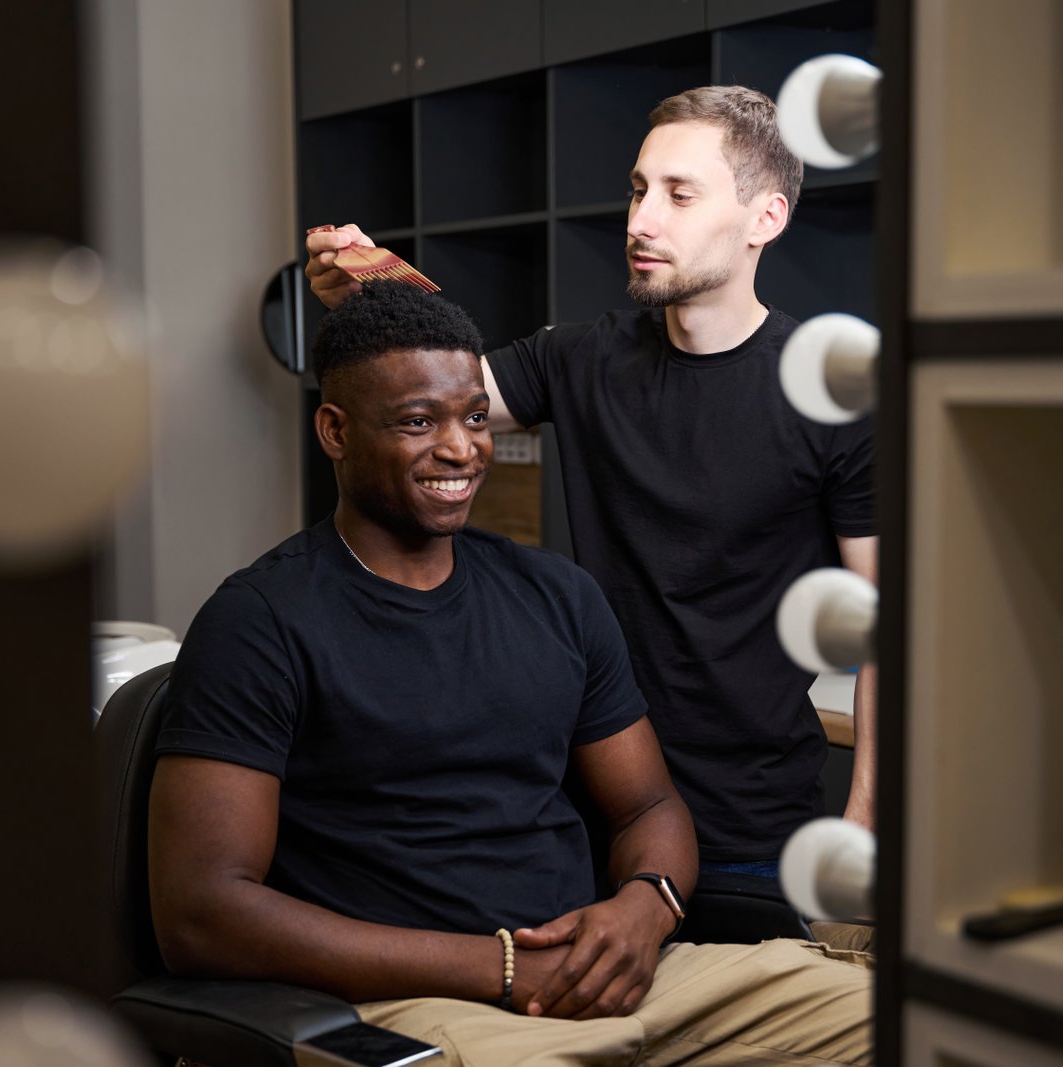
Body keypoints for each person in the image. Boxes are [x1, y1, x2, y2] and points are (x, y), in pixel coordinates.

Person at [148, 281, 871, 1066]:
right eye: (419, 422)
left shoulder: (557, 596)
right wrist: (503, 965)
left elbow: (649, 804)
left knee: (907, 1014)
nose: (461, 449)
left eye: (474, 417)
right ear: (336, 430)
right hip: (421, 1006)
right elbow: (202, 912)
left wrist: (644, 907)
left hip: (611, 976)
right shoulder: (260, 621)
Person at [306, 85, 878, 889]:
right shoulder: (579, 359)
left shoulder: (832, 394)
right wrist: (377, 294)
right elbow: (445, 395)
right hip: (586, 814)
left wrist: (865, 819)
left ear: (766, 220)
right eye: (641, 190)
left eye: (681, 195)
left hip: (751, 831)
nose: (642, 221)